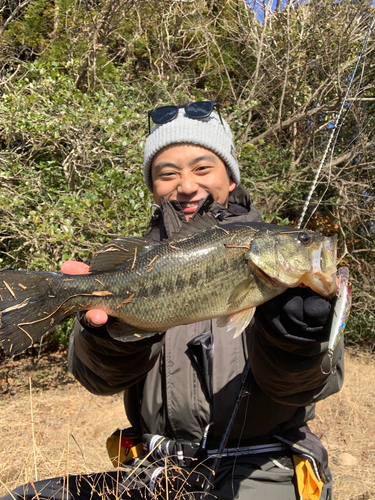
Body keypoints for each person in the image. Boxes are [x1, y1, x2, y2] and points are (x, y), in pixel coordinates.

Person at [2, 102, 344, 500]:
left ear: (230, 178)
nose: (186, 185)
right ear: (153, 186)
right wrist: (110, 338)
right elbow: (96, 379)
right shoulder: (138, 257)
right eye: (167, 174)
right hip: (156, 469)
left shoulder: (290, 281)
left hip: (263, 470)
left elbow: (313, 384)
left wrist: (296, 344)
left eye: (202, 168)